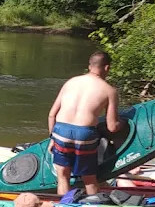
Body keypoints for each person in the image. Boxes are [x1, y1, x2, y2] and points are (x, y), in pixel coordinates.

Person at [47, 50, 121, 197]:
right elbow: (112, 127)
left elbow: (51, 114)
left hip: (61, 131)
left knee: (63, 175)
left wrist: (52, 139)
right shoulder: (109, 91)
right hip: (84, 134)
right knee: (89, 179)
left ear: (89, 66)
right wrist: (124, 124)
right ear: (107, 68)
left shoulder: (71, 82)